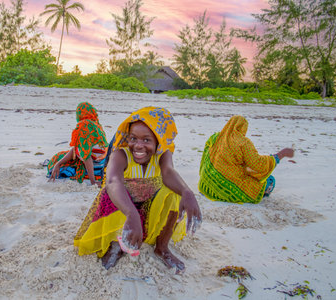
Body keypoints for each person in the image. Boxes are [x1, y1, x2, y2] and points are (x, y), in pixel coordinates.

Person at [73, 107, 201, 274]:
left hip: (148, 209)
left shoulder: (163, 154)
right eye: (133, 138)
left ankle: (162, 247)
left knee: (173, 193)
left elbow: (168, 172)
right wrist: (131, 214)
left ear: (158, 141)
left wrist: (187, 192)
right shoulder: (121, 154)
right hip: (124, 209)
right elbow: (112, 181)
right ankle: (116, 245)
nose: (138, 146)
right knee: (109, 193)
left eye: (147, 140)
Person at [198, 115, 294, 204]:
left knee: (246, 171)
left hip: (205, 185)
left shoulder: (215, 137)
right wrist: (280, 155)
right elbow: (258, 164)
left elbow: (205, 158)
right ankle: (262, 195)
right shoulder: (243, 142)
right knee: (270, 180)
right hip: (225, 185)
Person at [47, 102, 108, 187]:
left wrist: (93, 182)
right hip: (102, 162)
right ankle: (58, 163)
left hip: (93, 163)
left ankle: (57, 164)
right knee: (75, 150)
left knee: (65, 155)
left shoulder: (84, 125)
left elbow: (86, 154)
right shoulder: (97, 125)